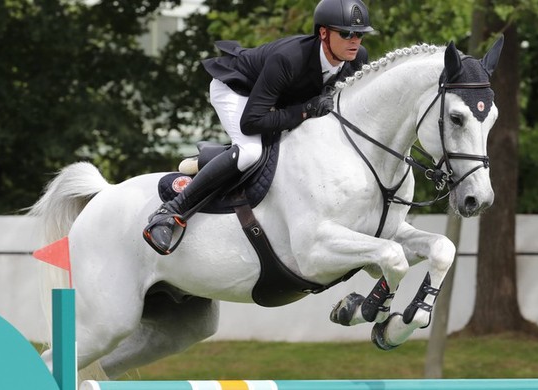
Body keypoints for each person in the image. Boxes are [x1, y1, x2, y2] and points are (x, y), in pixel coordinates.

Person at [143, 0, 374, 255]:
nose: (355, 41)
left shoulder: (357, 59)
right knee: (250, 152)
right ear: (323, 33)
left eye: (360, 34)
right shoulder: (288, 59)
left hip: (273, 100)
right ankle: (170, 212)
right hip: (237, 89)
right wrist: (305, 110)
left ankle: (211, 158)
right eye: (346, 33)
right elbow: (252, 122)